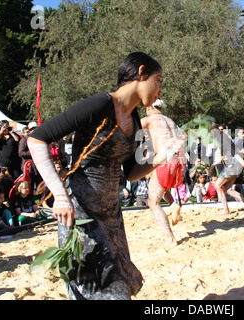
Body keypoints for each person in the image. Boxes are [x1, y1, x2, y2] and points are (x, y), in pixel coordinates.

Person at [27, 52, 184, 300]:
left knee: (118, 285)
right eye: (158, 80)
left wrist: (162, 156)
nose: (159, 91)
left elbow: (131, 173)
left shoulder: (133, 118)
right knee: (103, 288)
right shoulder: (100, 105)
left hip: (112, 217)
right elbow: (36, 138)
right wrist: (59, 195)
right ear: (141, 73)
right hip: (81, 214)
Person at [140, 98, 186, 246]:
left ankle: (170, 238)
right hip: (178, 163)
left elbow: (127, 128)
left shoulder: (149, 120)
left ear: (148, 107)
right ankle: (173, 205)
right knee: (163, 190)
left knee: (153, 202)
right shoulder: (171, 121)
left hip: (165, 161)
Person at [213, 127, 244, 215]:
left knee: (217, 185)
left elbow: (235, 154)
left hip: (233, 165)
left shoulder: (223, 139)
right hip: (234, 165)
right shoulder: (222, 140)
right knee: (228, 190)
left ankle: (226, 209)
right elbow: (223, 157)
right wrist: (212, 166)